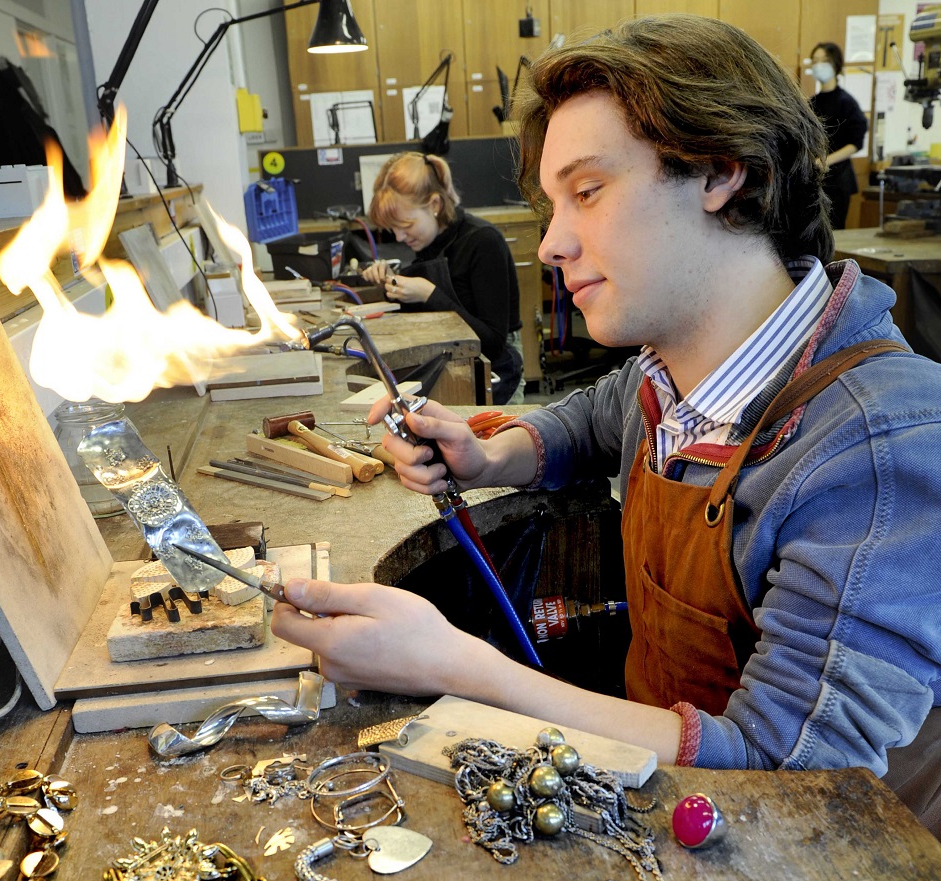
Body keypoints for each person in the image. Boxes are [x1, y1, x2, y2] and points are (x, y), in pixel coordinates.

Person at [273, 15, 941, 836]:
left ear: (721, 170)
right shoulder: (677, 365)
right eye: (553, 205)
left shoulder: (878, 448)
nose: (552, 242)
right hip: (656, 798)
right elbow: (599, 413)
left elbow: (790, 772)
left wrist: (462, 667)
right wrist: (489, 454)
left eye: (586, 191)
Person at [360, 152, 525, 404]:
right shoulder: (429, 243)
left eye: (406, 225)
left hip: (496, 369)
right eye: (393, 228)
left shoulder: (483, 242)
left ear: (435, 205)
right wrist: (390, 284)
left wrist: (429, 294)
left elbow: (492, 343)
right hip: (450, 369)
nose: (399, 237)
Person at [809, 41, 868, 229]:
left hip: (838, 179)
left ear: (835, 65)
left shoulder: (846, 102)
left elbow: (855, 142)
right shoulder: (812, 103)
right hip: (817, 179)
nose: (818, 65)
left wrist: (827, 160)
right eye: (814, 61)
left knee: (834, 232)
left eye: (823, 60)